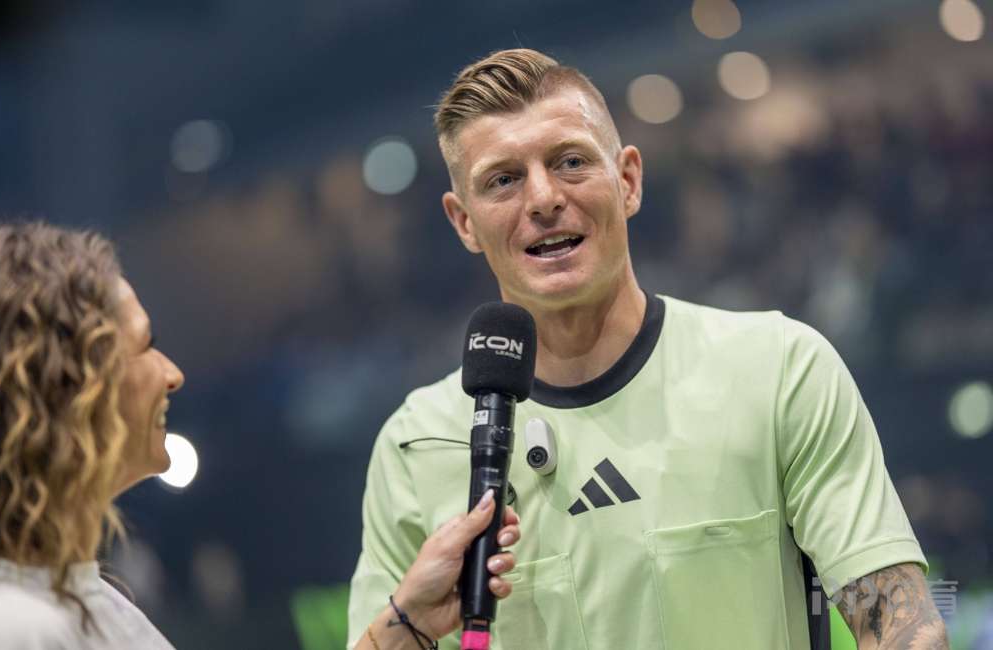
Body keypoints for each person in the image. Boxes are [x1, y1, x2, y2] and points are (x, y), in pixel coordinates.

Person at [347, 49, 949, 649]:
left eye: (571, 162)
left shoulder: (778, 368)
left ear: (629, 181)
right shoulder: (415, 444)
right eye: (503, 180)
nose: (543, 198)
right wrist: (405, 624)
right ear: (464, 222)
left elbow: (901, 626)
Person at [0, 222, 521, 650]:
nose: (172, 374)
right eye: (145, 346)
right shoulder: (13, 624)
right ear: (74, 386)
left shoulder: (78, 596)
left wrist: (408, 620)